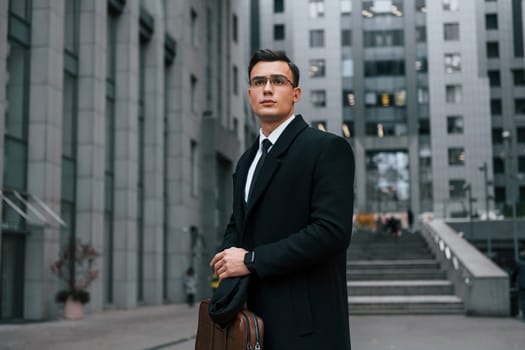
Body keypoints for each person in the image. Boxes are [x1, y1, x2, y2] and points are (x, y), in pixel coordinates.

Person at [210, 49, 355, 349]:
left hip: (307, 328)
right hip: (251, 323)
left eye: (278, 81)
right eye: (259, 81)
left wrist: (250, 260)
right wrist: (227, 255)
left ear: (296, 93)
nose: (267, 89)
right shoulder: (247, 160)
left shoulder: (327, 149)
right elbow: (239, 224)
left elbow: (331, 232)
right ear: (250, 93)